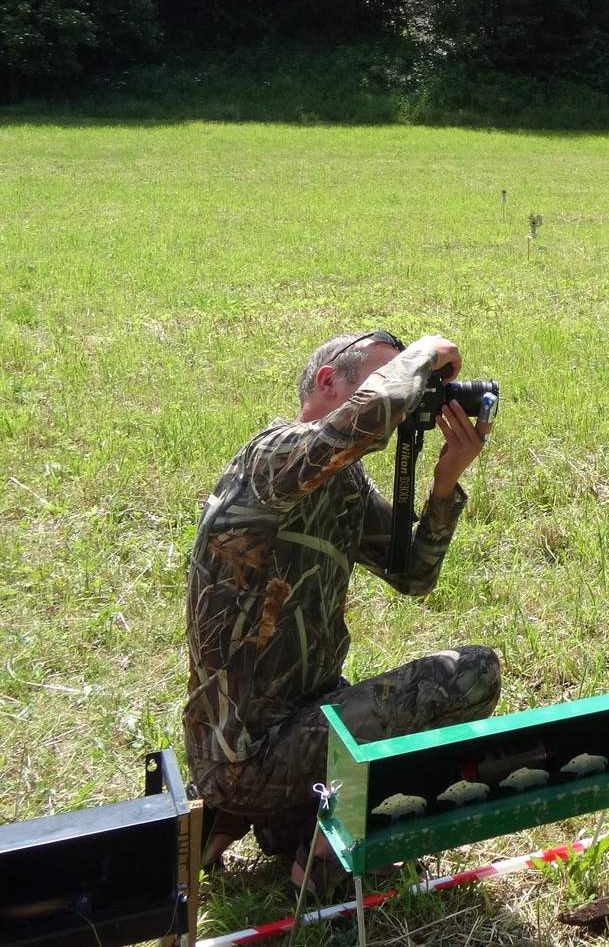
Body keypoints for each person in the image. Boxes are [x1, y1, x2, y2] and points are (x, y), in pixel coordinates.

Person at [184, 330, 502, 887]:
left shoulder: (344, 483)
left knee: (443, 685)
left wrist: (445, 484)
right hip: (245, 752)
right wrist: (424, 353)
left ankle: (247, 819)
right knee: (471, 674)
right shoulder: (270, 459)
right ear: (329, 381)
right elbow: (363, 420)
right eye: (389, 378)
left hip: (298, 726)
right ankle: (320, 853)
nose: (404, 395)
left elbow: (412, 575)